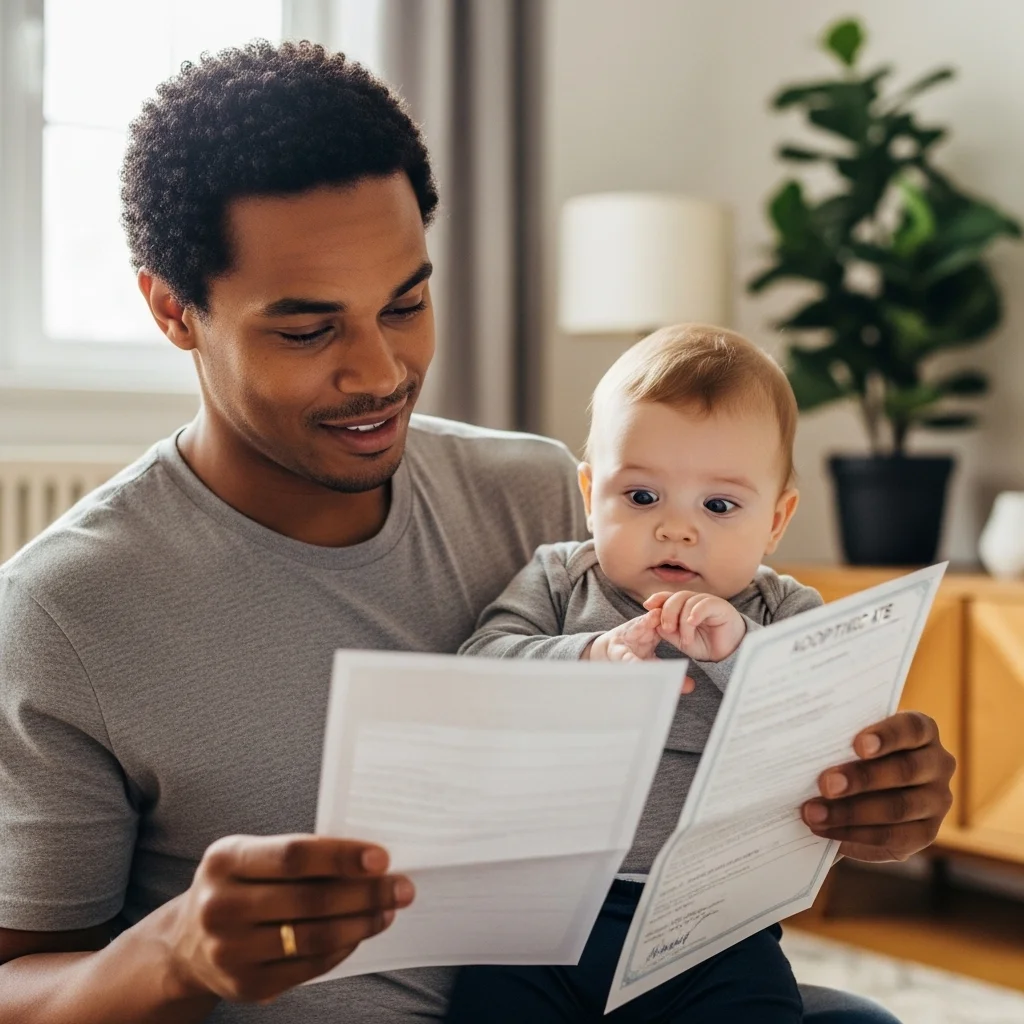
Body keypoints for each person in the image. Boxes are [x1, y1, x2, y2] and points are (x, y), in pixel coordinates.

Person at [0, 41, 954, 1024]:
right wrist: (174, 952)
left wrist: (869, 798)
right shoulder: (68, 609)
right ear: (173, 310)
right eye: (306, 329)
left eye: (406, 302)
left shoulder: (533, 490)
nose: (379, 371)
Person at [450, 324, 821, 1022]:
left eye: (719, 506)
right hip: (539, 906)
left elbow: (816, 719)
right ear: (591, 493)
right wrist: (586, 658)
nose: (678, 528)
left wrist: (737, 649)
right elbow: (479, 670)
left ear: (776, 521)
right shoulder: (563, 580)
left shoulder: (782, 611)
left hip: (716, 922)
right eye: (642, 497)